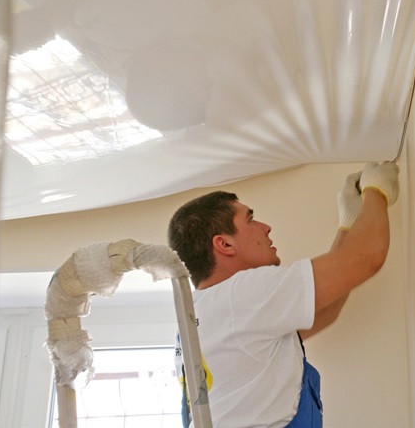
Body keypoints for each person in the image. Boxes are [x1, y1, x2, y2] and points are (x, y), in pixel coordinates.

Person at [169, 162, 400, 428]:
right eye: (251, 219)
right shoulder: (243, 294)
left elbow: (324, 310)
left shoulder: (201, 313)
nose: (266, 227)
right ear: (225, 243)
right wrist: (376, 190)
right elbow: (367, 256)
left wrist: (347, 226)